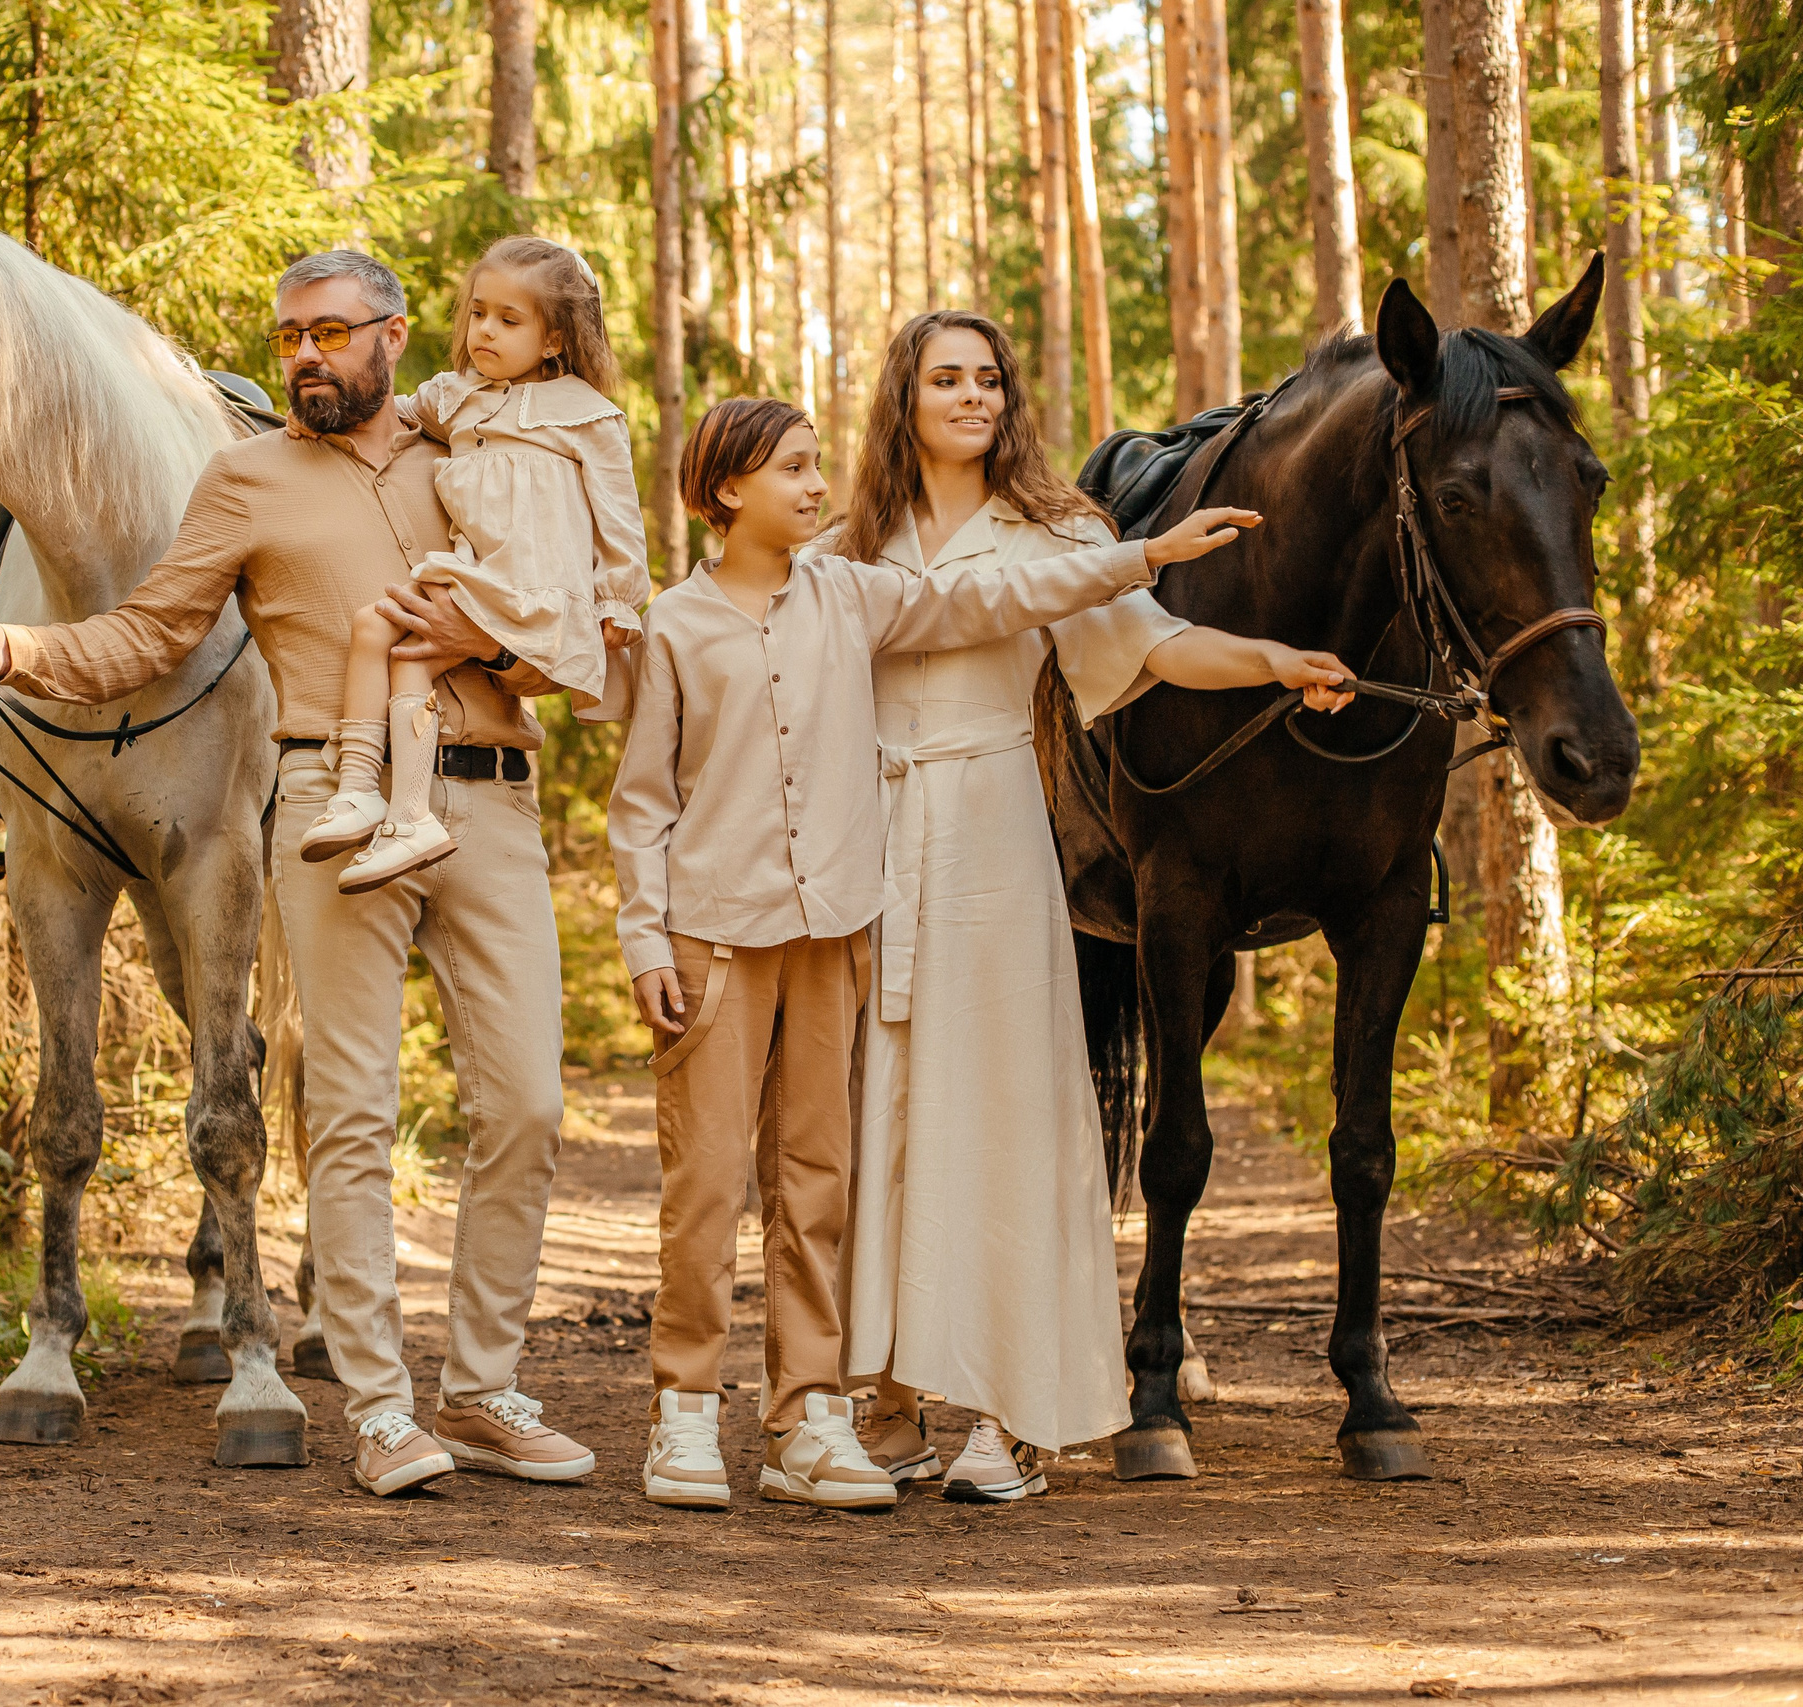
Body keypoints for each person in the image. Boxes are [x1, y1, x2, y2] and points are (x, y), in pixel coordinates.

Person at [0, 250, 597, 1499]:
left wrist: (487, 639)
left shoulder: (481, 460)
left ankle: (489, 1386)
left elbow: (594, 622)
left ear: (395, 336)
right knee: (350, 1112)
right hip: (326, 808)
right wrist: (11, 644)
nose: (305, 357)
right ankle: (383, 1408)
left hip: (491, 800)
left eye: (332, 334)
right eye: (289, 335)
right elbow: (148, 631)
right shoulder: (240, 479)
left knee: (528, 1109)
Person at [607, 396, 1267, 1512]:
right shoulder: (673, 623)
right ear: (726, 493)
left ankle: (807, 1418)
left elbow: (997, 594)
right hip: (715, 934)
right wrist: (641, 938)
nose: (819, 489)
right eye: (793, 473)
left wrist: (1139, 556)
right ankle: (680, 1414)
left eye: (820, 467)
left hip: (834, 931)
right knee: (708, 1180)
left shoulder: (854, 597)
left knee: (818, 1179)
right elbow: (642, 801)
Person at [830, 309, 1353, 1503]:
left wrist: (1274, 659)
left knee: (1004, 1109)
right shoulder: (851, 539)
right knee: (886, 1112)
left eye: (990, 379)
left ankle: (1007, 1412)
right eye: (944, 378)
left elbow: (1157, 649)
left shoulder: (1060, 528)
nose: (972, 397)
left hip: (997, 833)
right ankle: (892, 1394)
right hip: (878, 835)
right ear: (902, 398)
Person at [300, 236, 647, 892]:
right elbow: (386, 412)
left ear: (553, 339)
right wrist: (323, 422)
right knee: (375, 626)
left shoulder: (588, 415)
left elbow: (619, 519)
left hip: (538, 588)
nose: (484, 330)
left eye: (509, 320)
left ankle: (407, 814)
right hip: (478, 578)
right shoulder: (454, 395)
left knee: (407, 652)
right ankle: (358, 793)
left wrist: (619, 599)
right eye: (478, 313)